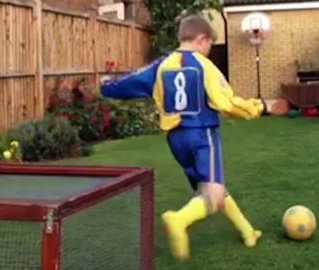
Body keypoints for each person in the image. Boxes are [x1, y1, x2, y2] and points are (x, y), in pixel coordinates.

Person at [100, 13, 265, 261]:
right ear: (201, 39)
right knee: (213, 193)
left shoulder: (161, 66)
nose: (209, 49)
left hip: (176, 141)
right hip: (202, 135)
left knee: (210, 188)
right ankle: (178, 220)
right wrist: (254, 108)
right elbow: (225, 101)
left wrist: (106, 85)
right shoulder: (204, 65)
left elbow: (130, 82)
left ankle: (247, 231)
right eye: (210, 43)